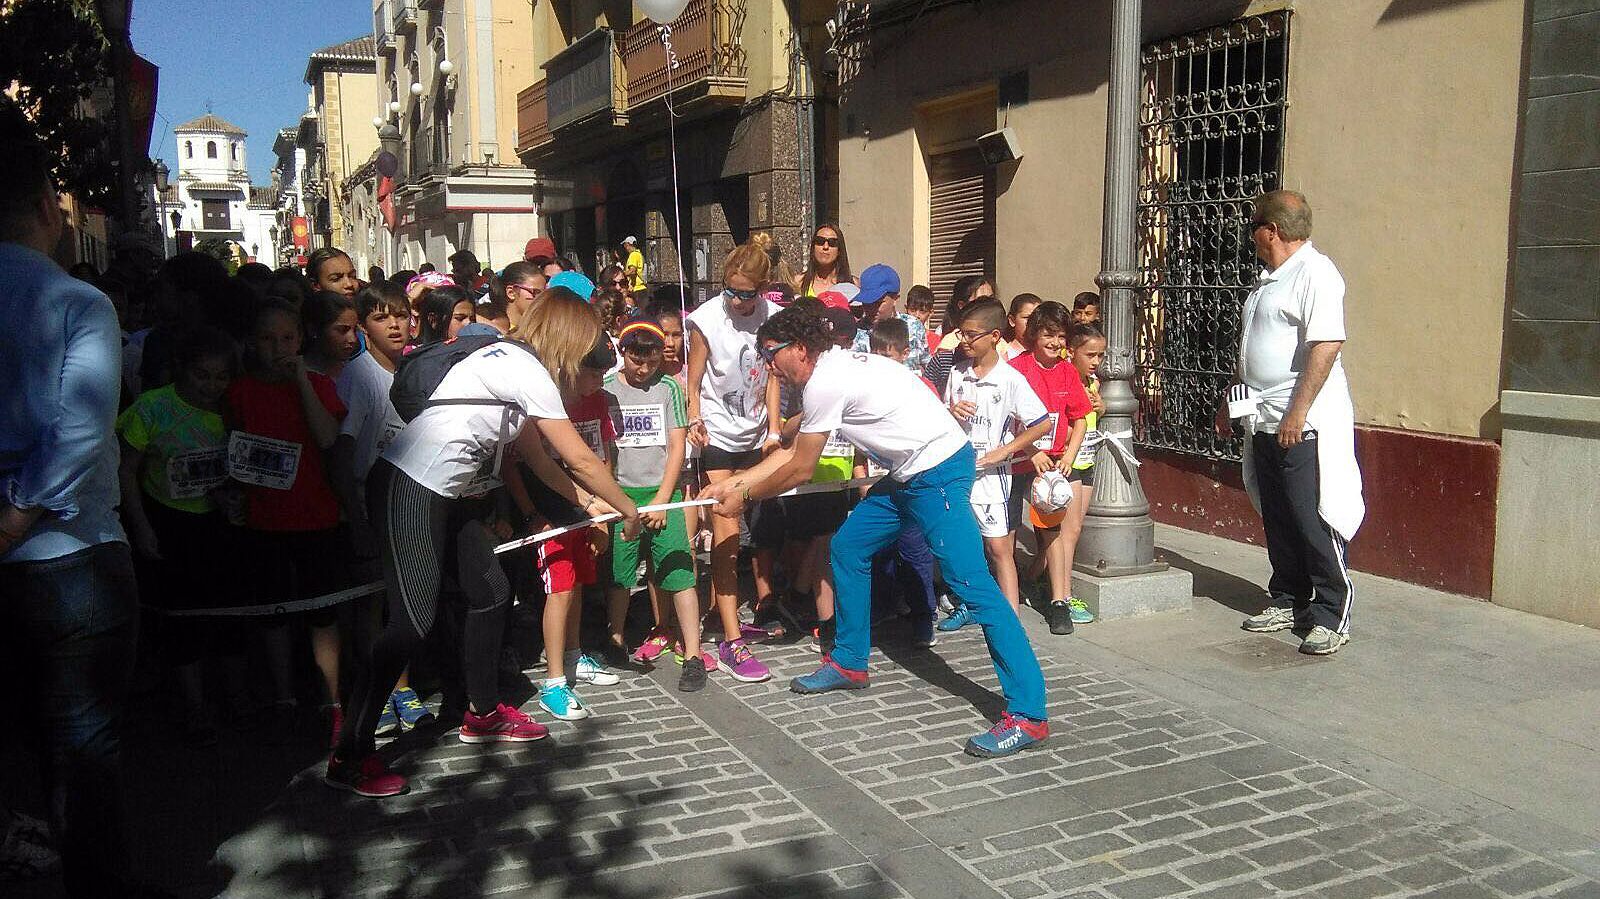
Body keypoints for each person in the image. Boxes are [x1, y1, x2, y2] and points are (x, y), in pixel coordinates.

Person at [328, 287, 640, 797]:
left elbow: (541, 461)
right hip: (411, 485)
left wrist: (588, 505)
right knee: (411, 623)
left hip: (446, 494)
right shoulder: (523, 367)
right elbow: (579, 459)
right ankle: (350, 754)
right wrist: (626, 508)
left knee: (491, 591)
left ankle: (480, 712)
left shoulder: (510, 362)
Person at [707, 307, 1050, 758]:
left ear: (800, 349)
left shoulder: (827, 380)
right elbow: (791, 450)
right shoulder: (830, 370)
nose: (768, 365)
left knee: (974, 587)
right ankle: (850, 663)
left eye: (771, 354)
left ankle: (1029, 715)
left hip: (938, 473)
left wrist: (746, 495)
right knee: (849, 547)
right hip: (910, 474)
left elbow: (800, 468)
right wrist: (737, 482)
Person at [0, 128, 144, 894]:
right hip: (68, 557)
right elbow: (79, 432)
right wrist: (16, 518)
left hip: (51, 553)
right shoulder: (74, 300)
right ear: (41, 204)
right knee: (83, 746)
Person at [1228, 190, 1363, 656]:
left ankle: (1331, 613)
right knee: (1278, 514)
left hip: (1300, 422)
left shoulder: (1317, 274)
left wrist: (1297, 412)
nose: (1252, 237)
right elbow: (1253, 347)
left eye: (1255, 228)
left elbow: (1325, 346)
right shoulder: (1271, 279)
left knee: (1312, 517)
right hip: (1263, 417)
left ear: (1274, 231)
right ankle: (1289, 597)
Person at [227, 299, 349, 746]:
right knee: (275, 613)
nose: (278, 347)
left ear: (301, 340)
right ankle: (283, 695)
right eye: (267, 339)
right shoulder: (239, 391)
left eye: (287, 338)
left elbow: (326, 436)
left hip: (315, 514)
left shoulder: (318, 384)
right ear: (251, 343)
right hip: (264, 518)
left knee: (322, 612)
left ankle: (332, 698)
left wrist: (300, 379)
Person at [116, 327, 241, 746]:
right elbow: (126, 470)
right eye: (201, 375)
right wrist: (141, 527)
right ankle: (195, 708)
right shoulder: (152, 408)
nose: (211, 385)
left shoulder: (230, 410)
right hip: (168, 523)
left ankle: (233, 698)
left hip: (217, 525)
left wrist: (229, 497)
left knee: (222, 615)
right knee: (181, 621)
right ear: (180, 371)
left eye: (220, 376)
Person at [328, 282, 433, 736]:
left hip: (408, 503)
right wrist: (356, 516)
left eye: (400, 315)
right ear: (363, 328)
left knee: (401, 603)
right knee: (371, 607)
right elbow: (343, 448)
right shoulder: (361, 375)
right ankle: (375, 690)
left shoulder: (413, 369)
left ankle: (402, 687)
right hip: (369, 504)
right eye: (380, 317)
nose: (394, 324)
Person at [684, 241, 782, 683]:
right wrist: (693, 417)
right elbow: (695, 374)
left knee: (757, 529)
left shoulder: (770, 316)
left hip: (756, 434)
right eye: (730, 291)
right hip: (720, 434)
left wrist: (775, 430)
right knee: (725, 530)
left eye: (746, 293)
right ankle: (730, 640)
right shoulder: (706, 319)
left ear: (762, 289)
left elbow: (774, 375)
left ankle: (735, 611)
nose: (737, 300)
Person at [602, 319, 704, 691]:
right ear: (623, 353)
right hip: (622, 495)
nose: (643, 369)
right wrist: (612, 496)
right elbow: (605, 447)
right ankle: (615, 639)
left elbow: (677, 446)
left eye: (651, 361)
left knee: (678, 569)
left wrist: (664, 498)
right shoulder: (607, 388)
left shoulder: (668, 389)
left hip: (664, 495)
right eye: (635, 359)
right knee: (620, 574)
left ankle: (692, 654)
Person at [938, 299, 1052, 621]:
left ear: (995, 336)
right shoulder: (958, 372)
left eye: (972, 335)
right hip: (959, 472)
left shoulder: (1010, 379)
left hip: (992, 478)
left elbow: (1042, 423)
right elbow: (946, 419)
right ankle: (969, 606)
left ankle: (1010, 617)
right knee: (964, 546)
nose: (964, 340)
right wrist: (950, 412)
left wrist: (1006, 451)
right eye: (962, 333)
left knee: (999, 549)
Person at [535, 340, 624, 721]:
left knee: (579, 584)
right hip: (550, 511)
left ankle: (573, 657)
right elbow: (523, 463)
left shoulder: (599, 401)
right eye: (593, 374)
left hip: (588, 510)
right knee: (560, 589)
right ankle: (553, 682)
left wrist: (602, 516)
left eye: (603, 376)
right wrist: (529, 512)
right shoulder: (546, 402)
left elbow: (602, 457)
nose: (598, 382)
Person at [1008, 304, 1097, 634]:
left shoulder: (1067, 371)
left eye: (1061, 336)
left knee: (1057, 529)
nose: (1055, 342)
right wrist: (1031, 451)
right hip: (1021, 462)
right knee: (1009, 531)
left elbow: (1079, 420)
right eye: (1048, 334)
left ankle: (1058, 601)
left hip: (1058, 462)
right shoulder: (1017, 370)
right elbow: (1008, 422)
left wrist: (1069, 457)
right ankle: (1016, 586)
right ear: (1034, 334)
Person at [849, 263, 929, 373]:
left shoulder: (914, 326)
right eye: (867, 302)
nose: (871, 308)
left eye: (878, 303)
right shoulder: (855, 333)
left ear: (895, 299)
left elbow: (926, 364)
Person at [796, 224, 855, 298]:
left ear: (839, 250)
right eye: (820, 241)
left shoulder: (854, 285)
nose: (825, 247)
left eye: (832, 242)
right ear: (813, 247)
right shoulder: (798, 283)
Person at [1004, 293, 1042, 359]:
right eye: (1027, 318)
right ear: (1012, 321)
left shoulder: (1047, 353)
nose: (1033, 322)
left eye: (1037, 318)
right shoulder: (1003, 353)